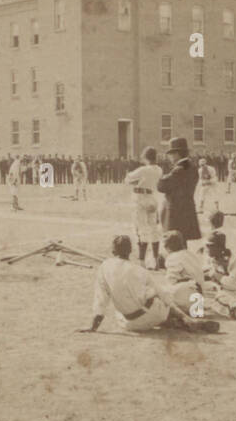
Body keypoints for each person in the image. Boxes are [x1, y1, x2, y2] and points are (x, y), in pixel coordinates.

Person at [80, 235, 218, 334]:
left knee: (120, 313)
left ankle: (174, 323)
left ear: (113, 251)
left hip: (131, 324)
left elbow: (101, 300)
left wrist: (93, 327)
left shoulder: (104, 267)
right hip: (153, 315)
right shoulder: (139, 270)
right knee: (159, 299)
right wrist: (186, 316)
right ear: (130, 252)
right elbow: (164, 296)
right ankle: (183, 321)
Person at [158, 137, 201, 251]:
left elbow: (161, 186)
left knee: (173, 242)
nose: (170, 157)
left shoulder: (179, 169)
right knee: (183, 241)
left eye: (171, 154)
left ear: (177, 154)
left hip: (176, 210)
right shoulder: (191, 166)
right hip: (187, 207)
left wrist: (162, 177)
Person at [125, 147, 164, 266]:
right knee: (153, 228)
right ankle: (155, 259)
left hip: (140, 197)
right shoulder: (159, 169)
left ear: (146, 157)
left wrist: (136, 182)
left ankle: (142, 261)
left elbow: (127, 179)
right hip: (152, 197)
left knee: (141, 227)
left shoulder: (143, 169)